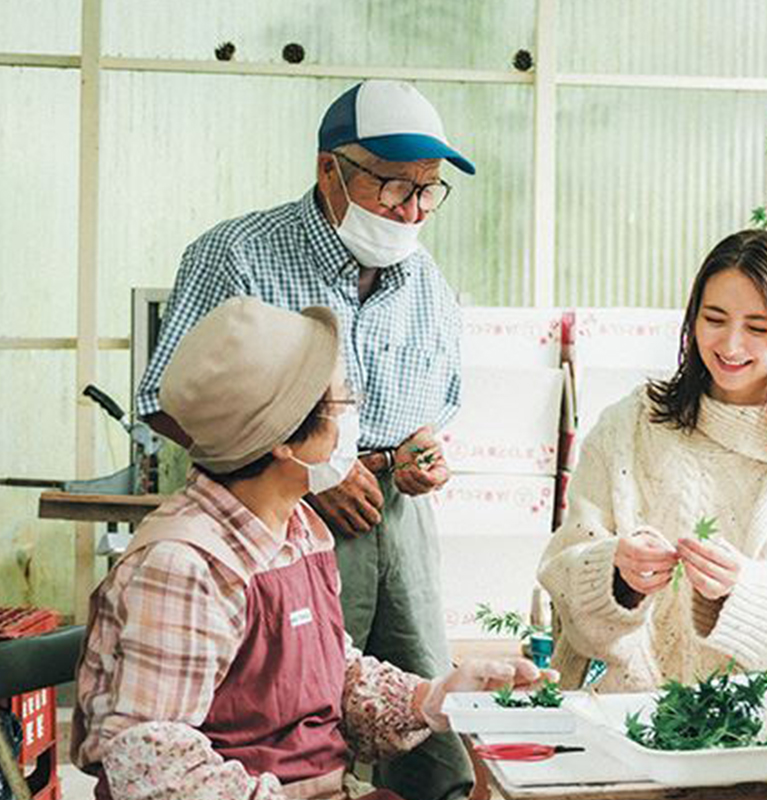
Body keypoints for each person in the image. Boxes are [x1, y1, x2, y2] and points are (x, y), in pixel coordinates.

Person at [134, 80, 470, 798]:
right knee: (289, 714)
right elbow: (165, 398)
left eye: (428, 192)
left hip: (396, 513)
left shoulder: (425, 277)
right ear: (330, 170)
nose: (412, 210)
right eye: (392, 187)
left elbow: (437, 401)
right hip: (278, 509)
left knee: (415, 724)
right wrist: (309, 471)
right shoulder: (240, 254)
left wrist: (421, 453)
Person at [75, 298, 552, 800]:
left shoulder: (299, 526)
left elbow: (330, 675)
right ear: (284, 437)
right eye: (344, 403)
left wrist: (432, 699)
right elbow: (154, 773)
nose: (356, 417)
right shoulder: (185, 567)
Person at [538, 230, 767, 691]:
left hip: (761, 727)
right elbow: (562, 579)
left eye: (758, 328)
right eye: (714, 319)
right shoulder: (628, 427)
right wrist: (618, 578)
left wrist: (745, 594)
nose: (731, 346)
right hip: (616, 720)